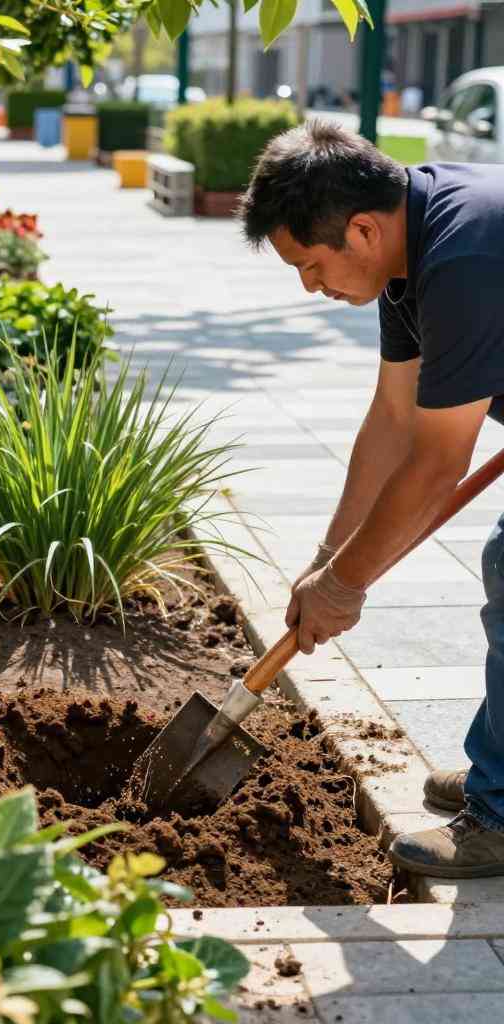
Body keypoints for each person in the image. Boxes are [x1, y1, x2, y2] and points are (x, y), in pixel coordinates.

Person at [239, 120, 504, 878]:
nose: (310, 286)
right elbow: (393, 419)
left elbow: (436, 461)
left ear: (360, 229)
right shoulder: (402, 257)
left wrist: (346, 585)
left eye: (312, 264)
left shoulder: (465, 253)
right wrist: (326, 563)